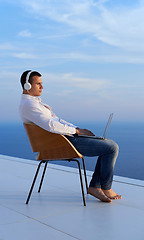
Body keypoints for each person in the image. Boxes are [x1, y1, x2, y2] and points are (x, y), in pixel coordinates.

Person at [19, 70, 122, 203]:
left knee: (106, 144)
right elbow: (51, 125)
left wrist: (77, 129)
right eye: (38, 84)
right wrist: (77, 132)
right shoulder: (29, 105)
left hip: (64, 139)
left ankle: (96, 187)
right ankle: (104, 188)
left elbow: (57, 120)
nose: (42, 87)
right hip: (60, 143)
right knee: (112, 147)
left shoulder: (36, 103)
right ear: (27, 85)